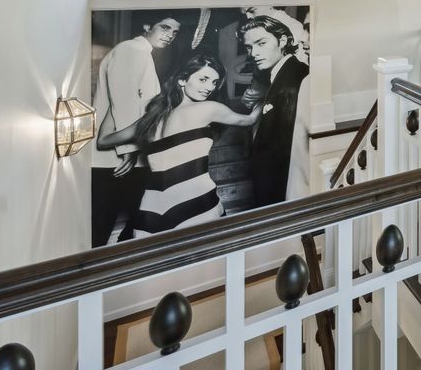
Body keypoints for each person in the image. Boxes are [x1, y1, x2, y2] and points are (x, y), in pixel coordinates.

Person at [98, 55, 261, 236]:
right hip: (196, 201)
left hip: (150, 207)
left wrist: (115, 104)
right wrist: (264, 93)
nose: (209, 87)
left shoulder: (150, 119)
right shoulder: (208, 108)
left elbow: (104, 140)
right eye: (203, 79)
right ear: (182, 80)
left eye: (214, 82)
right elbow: (249, 120)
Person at [90, 13, 181, 247]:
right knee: (101, 226)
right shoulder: (131, 50)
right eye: (165, 27)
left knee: (131, 220)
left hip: (124, 156)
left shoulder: (141, 53)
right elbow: (123, 99)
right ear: (147, 25)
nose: (170, 35)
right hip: (115, 159)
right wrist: (128, 150)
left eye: (175, 31)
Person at [239, 15, 309, 206]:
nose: (253, 53)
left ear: (283, 41)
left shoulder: (293, 79)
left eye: (261, 43)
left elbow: (286, 148)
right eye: (249, 47)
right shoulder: (281, 73)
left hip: (278, 189)